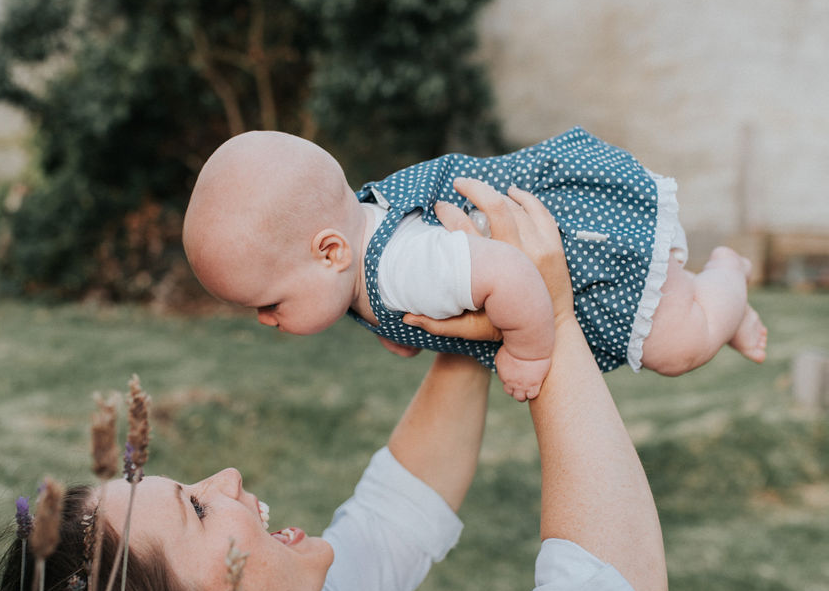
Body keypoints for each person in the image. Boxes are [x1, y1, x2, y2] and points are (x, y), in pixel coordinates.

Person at [0, 182, 671, 591]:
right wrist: (549, 314)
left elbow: (398, 511)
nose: (225, 476)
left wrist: (470, 312)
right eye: (198, 509)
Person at [182, 127, 767, 401]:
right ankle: (710, 292)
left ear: (330, 251)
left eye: (269, 303)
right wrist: (400, 332)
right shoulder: (364, 239)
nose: (262, 319)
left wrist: (528, 350)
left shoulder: (399, 266)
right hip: (585, 229)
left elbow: (507, 275)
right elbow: (411, 297)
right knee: (676, 306)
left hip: (592, 264)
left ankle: (727, 277)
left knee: (679, 344)